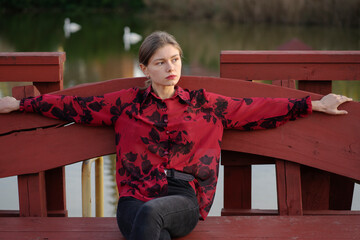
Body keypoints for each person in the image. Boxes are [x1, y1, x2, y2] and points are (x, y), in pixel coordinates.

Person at [0, 31, 353, 240]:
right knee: (150, 222)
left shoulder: (206, 105)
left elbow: (258, 107)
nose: (171, 68)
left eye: (176, 60)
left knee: (153, 218)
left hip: (184, 198)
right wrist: (20, 105)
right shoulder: (125, 105)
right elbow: (74, 105)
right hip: (133, 201)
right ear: (144, 68)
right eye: (160, 62)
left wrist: (315, 104)